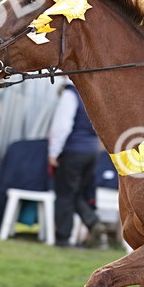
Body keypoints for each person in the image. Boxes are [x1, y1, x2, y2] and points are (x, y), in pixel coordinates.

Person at [48, 80, 101, 248]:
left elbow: (62, 126)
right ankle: (93, 223)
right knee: (76, 192)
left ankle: (63, 238)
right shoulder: (92, 93)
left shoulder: (70, 94)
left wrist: (53, 152)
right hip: (92, 150)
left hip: (73, 150)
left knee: (64, 194)